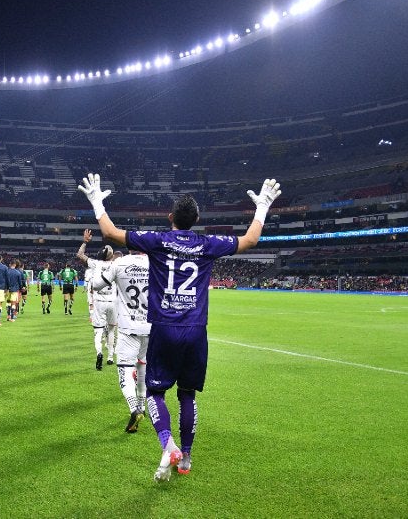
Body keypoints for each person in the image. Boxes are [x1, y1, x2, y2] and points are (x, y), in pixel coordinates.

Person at [78, 173, 282, 481]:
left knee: (154, 394)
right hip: (196, 330)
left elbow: (108, 233)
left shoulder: (157, 241)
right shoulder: (208, 244)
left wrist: (96, 201)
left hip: (163, 328)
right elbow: (251, 240)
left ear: (170, 217)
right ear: (197, 218)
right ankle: (185, 457)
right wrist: (263, 206)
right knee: (188, 395)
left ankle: (167, 444)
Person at [91, 250, 151, 434]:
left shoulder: (120, 263)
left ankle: (134, 408)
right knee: (142, 367)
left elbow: (96, 285)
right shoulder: (155, 262)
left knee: (125, 370)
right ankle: (142, 405)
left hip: (128, 329)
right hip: (151, 327)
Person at [77, 229, 117, 370]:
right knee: (111, 330)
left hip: (99, 301)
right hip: (113, 301)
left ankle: (99, 352)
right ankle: (111, 357)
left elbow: (80, 255)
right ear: (112, 256)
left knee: (98, 331)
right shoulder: (116, 265)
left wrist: (85, 241)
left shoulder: (96, 264)